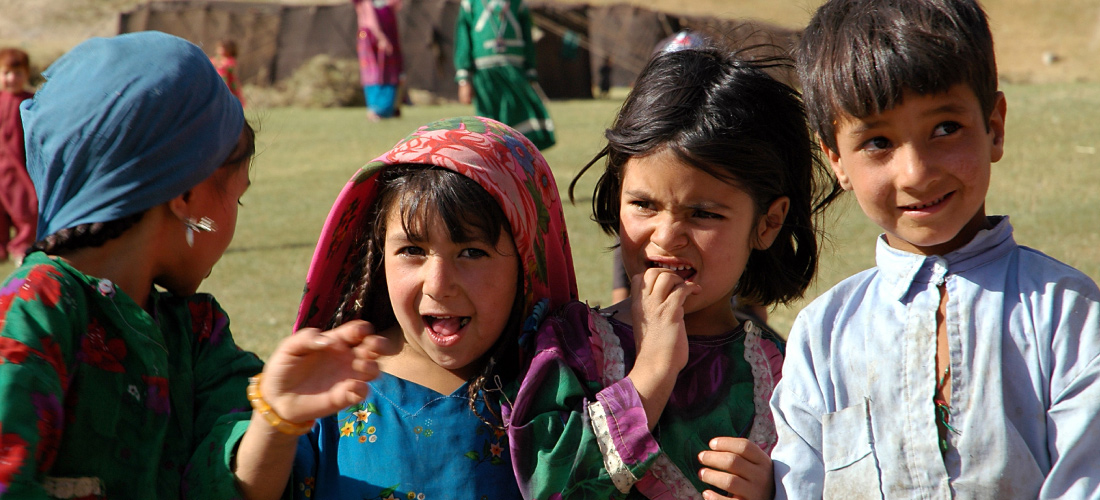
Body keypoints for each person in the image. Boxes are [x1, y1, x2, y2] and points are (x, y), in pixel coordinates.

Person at [770, 0, 1100, 498]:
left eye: (945, 129)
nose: (916, 173)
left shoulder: (1065, 313)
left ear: (994, 125)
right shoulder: (823, 335)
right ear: (836, 159)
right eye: (878, 142)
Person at [506, 46, 841, 499]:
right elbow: (548, 485)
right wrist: (650, 376)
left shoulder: (788, 373)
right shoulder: (570, 350)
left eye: (702, 213)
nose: (667, 236)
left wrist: (777, 489)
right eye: (643, 204)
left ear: (768, 223)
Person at [228, 116, 578, 500]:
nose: (439, 284)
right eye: (412, 250)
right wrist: (275, 419)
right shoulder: (332, 387)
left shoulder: (557, 397)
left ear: (528, 266)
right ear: (379, 256)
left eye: (472, 252)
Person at [0, 31, 274, 498]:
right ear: (186, 196)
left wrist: (280, 416)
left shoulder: (196, 335)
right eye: (238, 199)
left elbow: (239, 470)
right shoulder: (36, 312)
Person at [454, 0, 555, 150]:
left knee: (520, 119)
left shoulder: (517, 3)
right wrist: (464, 79)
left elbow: (527, 36)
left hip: (514, 71)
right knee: (489, 126)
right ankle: (493, 161)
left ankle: (521, 162)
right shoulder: (471, 3)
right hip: (485, 73)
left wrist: (530, 71)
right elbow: (463, 40)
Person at [0, 47, 37, 264]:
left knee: (26, 208)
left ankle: (22, 246)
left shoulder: (30, 102)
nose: (12, 78)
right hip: (1, 167)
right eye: (6, 73)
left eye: (18, 73)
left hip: (19, 168)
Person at [353, 0, 404, 121]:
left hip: (386, 34)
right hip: (372, 38)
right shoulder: (366, 3)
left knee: (390, 72)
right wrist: (381, 37)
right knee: (374, 72)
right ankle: (376, 109)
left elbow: (396, 5)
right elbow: (370, 18)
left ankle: (389, 108)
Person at [211, 39, 245, 105]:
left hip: (229, 84)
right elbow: (210, 62)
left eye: (222, 48)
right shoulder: (216, 59)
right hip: (218, 82)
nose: (219, 50)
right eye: (219, 48)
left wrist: (220, 64)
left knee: (232, 98)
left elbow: (229, 67)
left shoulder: (230, 60)